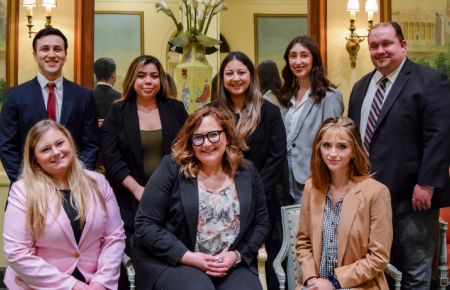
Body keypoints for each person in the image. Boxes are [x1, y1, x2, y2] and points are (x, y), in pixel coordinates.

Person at [347, 22, 450, 290]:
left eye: (386, 44)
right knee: (377, 267)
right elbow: (354, 139)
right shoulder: (360, 87)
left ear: (403, 46)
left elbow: (439, 136)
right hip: (367, 197)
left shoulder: (429, 80)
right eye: (373, 46)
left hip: (411, 197)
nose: (379, 51)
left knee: (414, 271)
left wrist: (427, 184)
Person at [130, 107, 271, 290]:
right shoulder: (172, 168)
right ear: (190, 143)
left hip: (229, 263)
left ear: (227, 136)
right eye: (198, 138)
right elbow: (145, 224)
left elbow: (262, 224)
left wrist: (236, 255)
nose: (206, 144)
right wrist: (188, 257)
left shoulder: (246, 171)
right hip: (177, 261)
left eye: (213, 134)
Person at [3, 120, 125, 290]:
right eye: (45, 149)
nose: (56, 152)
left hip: (94, 281)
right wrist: (72, 285)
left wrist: (102, 281)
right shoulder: (22, 191)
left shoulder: (98, 182)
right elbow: (17, 254)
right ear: (35, 159)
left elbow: (114, 236)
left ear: (70, 143)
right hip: (39, 285)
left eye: (60, 143)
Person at [209, 51, 286, 290]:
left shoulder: (269, 112)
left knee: (262, 257)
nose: (236, 78)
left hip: (262, 199)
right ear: (222, 78)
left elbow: (277, 156)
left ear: (251, 76)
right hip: (218, 199)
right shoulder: (212, 112)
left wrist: (254, 194)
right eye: (229, 73)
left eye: (241, 72)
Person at [100, 54, 189, 245]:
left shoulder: (176, 109)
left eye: (154, 76)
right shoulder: (118, 112)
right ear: (133, 79)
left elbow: (188, 149)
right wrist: (138, 189)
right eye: (141, 76)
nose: (148, 81)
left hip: (174, 195)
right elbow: (111, 157)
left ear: (161, 80)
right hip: (130, 197)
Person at [296, 116, 392, 290]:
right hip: (316, 284)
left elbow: (378, 257)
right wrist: (311, 279)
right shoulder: (312, 186)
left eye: (342, 146)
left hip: (359, 285)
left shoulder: (377, 193)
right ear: (319, 148)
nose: (333, 153)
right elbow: (303, 242)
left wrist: (333, 283)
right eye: (326, 145)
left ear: (354, 150)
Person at [0, 28, 99, 186]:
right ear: (35, 55)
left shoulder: (84, 96)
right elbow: (7, 146)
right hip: (29, 190)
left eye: (57, 49)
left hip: (74, 188)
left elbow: (91, 144)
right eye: (45, 49)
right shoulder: (15, 96)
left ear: (65, 55)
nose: (52, 54)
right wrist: (27, 183)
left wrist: (76, 179)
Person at [279, 36, 344, 206]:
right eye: (293, 56)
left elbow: (333, 141)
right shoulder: (286, 97)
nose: (298, 61)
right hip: (285, 177)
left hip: (314, 176)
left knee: (315, 227)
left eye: (304, 55)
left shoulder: (329, 96)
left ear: (314, 58)